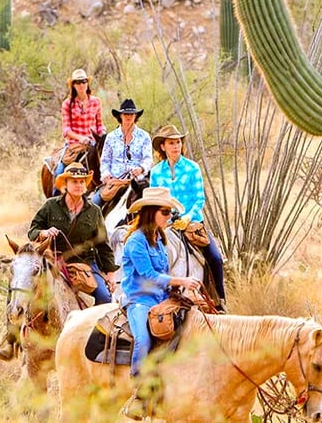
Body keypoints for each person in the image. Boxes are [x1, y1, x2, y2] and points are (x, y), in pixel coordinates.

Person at [0, 162, 119, 361]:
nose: (78, 185)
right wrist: (44, 232)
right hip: (52, 258)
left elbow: (103, 245)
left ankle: (98, 345)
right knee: (19, 285)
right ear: (65, 184)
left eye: (82, 182)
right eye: (74, 182)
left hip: (85, 263)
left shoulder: (94, 211)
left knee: (105, 297)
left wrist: (111, 275)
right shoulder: (50, 205)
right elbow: (33, 230)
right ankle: (11, 338)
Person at [120, 187, 200, 419]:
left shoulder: (158, 238)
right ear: (151, 212)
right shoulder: (135, 241)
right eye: (165, 212)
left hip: (161, 298)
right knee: (143, 339)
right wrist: (180, 280)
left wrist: (175, 288)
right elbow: (148, 274)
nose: (168, 217)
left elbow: (162, 273)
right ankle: (139, 392)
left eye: (170, 213)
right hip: (139, 299)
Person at [149, 124, 227, 310]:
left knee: (214, 258)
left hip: (192, 223)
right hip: (166, 225)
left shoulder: (193, 168)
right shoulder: (156, 172)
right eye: (171, 143)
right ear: (163, 146)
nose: (176, 146)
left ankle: (220, 300)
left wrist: (186, 217)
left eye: (178, 142)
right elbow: (153, 200)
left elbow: (200, 199)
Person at [53, 68, 107, 195]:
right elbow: (66, 129)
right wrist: (80, 138)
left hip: (93, 143)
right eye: (78, 82)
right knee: (59, 172)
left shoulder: (96, 102)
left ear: (87, 83)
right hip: (74, 146)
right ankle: (53, 200)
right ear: (73, 85)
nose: (81, 85)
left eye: (84, 82)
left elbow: (100, 124)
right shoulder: (67, 104)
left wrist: (103, 135)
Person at [92, 98, 153, 206]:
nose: (128, 116)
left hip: (138, 182)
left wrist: (141, 168)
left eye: (131, 114)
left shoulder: (144, 136)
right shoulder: (111, 137)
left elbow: (148, 159)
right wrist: (106, 175)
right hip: (115, 182)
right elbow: (105, 161)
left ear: (136, 116)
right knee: (93, 204)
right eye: (125, 114)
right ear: (120, 116)